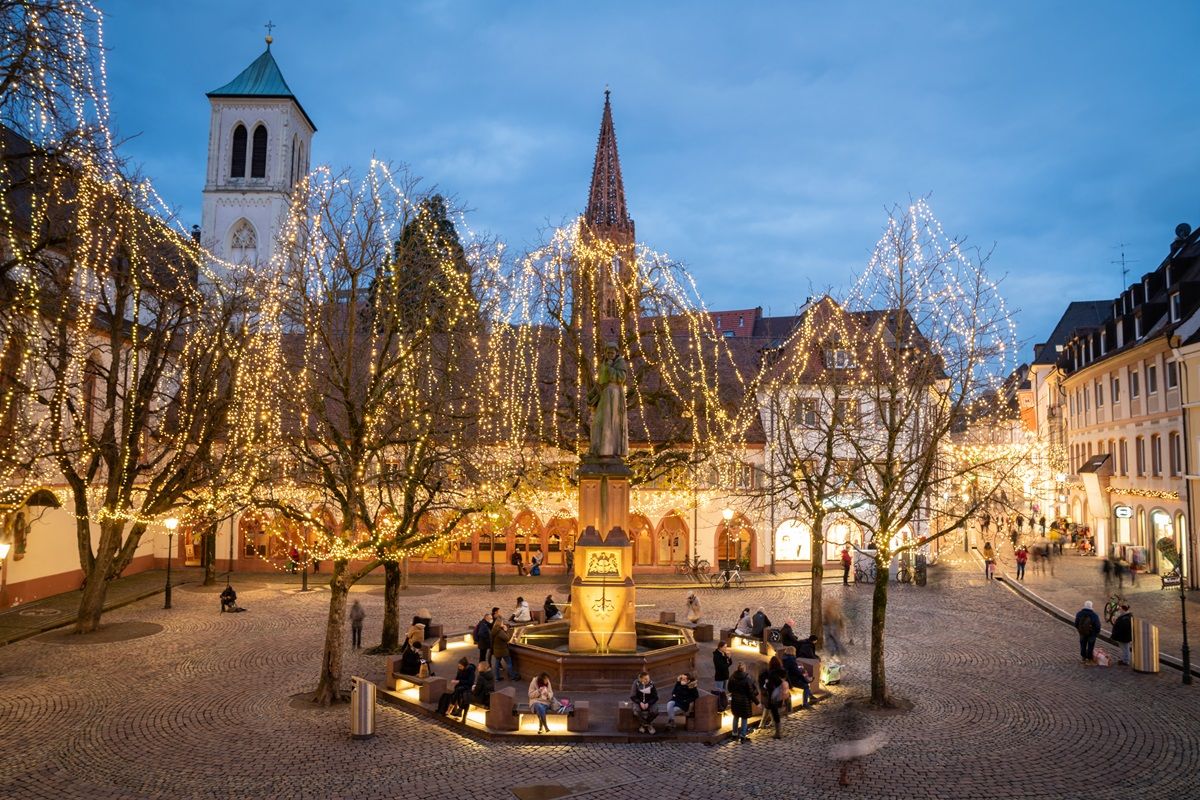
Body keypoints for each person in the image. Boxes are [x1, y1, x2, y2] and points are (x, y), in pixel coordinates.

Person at [758, 656, 787, 739]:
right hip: (780, 696)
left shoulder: (770, 673)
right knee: (774, 711)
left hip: (772, 696)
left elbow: (768, 685)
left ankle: (777, 733)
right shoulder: (783, 672)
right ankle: (766, 725)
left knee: (774, 712)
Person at [728, 663, 758, 743]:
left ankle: (734, 734)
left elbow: (729, 689)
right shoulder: (747, 678)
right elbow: (751, 693)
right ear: (744, 669)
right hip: (744, 702)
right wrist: (757, 702)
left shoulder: (732, 677)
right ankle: (742, 736)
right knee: (744, 719)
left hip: (735, 701)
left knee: (736, 717)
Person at [712, 641, 732, 708]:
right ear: (720, 647)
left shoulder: (724, 653)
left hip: (725, 675)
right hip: (719, 676)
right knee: (719, 692)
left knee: (724, 691)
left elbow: (730, 663)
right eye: (725, 647)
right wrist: (727, 662)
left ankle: (723, 704)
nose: (726, 648)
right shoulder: (716, 655)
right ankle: (718, 706)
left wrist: (729, 657)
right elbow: (722, 666)